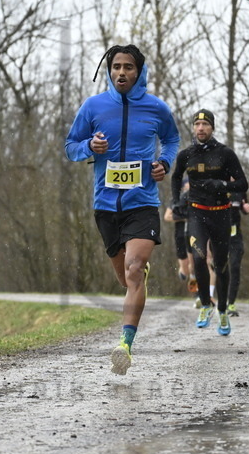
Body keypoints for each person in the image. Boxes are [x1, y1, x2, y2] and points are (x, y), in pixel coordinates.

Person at [65, 43, 180, 375]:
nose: (121, 73)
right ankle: (137, 279)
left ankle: (125, 345)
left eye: (128, 67)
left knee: (134, 268)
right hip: (105, 205)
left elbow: (172, 140)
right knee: (125, 277)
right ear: (109, 70)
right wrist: (89, 146)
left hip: (142, 202)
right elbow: (70, 146)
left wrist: (164, 163)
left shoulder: (156, 108)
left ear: (139, 71)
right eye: (116, 67)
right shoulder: (94, 106)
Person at [170, 109, 249, 336]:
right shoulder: (186, 155)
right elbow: (176, 177)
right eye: (197, 124)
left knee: (221, 266)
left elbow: (243, 184)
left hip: (221, 214)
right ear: (193, 128)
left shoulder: (225, 153)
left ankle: (222, 310)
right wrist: (177, 202)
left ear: (212, 128)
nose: (201, 128)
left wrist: (222, 185)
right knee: (198, 256)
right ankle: (206, 304)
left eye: (205, 124)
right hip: (197, 214)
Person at [163, 175, 196, 299]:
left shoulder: (196, 199)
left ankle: (196, 293)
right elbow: (167, 217)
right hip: (180, 234)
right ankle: (183, 272)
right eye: (187, 184)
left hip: (193, 234)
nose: (189, 186)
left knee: (193, 265)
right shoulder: (176, 200)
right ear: (183, 187)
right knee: (185, 267)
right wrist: (183, 217)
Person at [227, 192, 249, 316]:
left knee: (235, 267)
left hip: (235, 235)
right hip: (218, 234)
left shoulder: (239, 189)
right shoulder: (216, 184)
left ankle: (231, 304)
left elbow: (244, 206)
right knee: (219, 268)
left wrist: (246, 208)